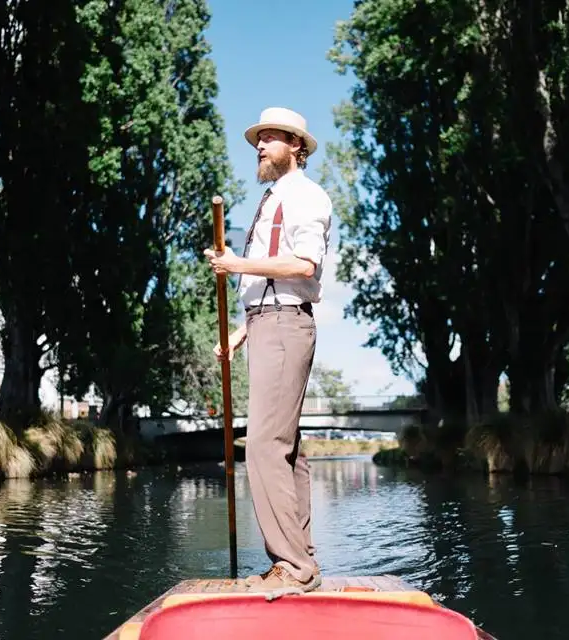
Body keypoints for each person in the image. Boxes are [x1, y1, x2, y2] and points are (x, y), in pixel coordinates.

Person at [204, 107, 332, 593]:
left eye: (270, 138)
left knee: (263, 445)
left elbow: (303, 265)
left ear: (296, 146)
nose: (259, 146)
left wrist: (238, 261)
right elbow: (266, 286)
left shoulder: (305, 196)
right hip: (266, 325)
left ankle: (292, 568)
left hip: (284, 325)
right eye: (257, 139)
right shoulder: (273, 198)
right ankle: (304, 560)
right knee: (288, 449)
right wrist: (240, 333)